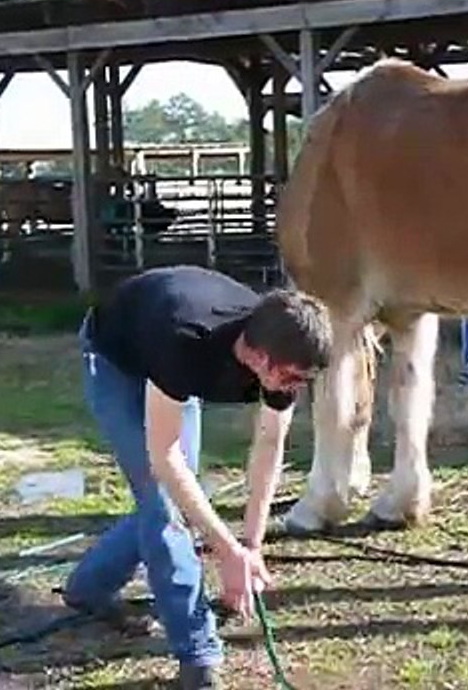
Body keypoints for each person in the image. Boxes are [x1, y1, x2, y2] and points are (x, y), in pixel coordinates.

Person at [61, 265, 332, 690]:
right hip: (116, 357)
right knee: (165, 502)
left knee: (178, 504)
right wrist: (226, 551)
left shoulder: (282, 353)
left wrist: (250, 546)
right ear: (261, 359)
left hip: (166, 362)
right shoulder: (187, 342)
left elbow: (268, 447)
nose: (296, 388)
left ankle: (87, 587)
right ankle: (198, 654)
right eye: (294, 377)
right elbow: (165, 459)